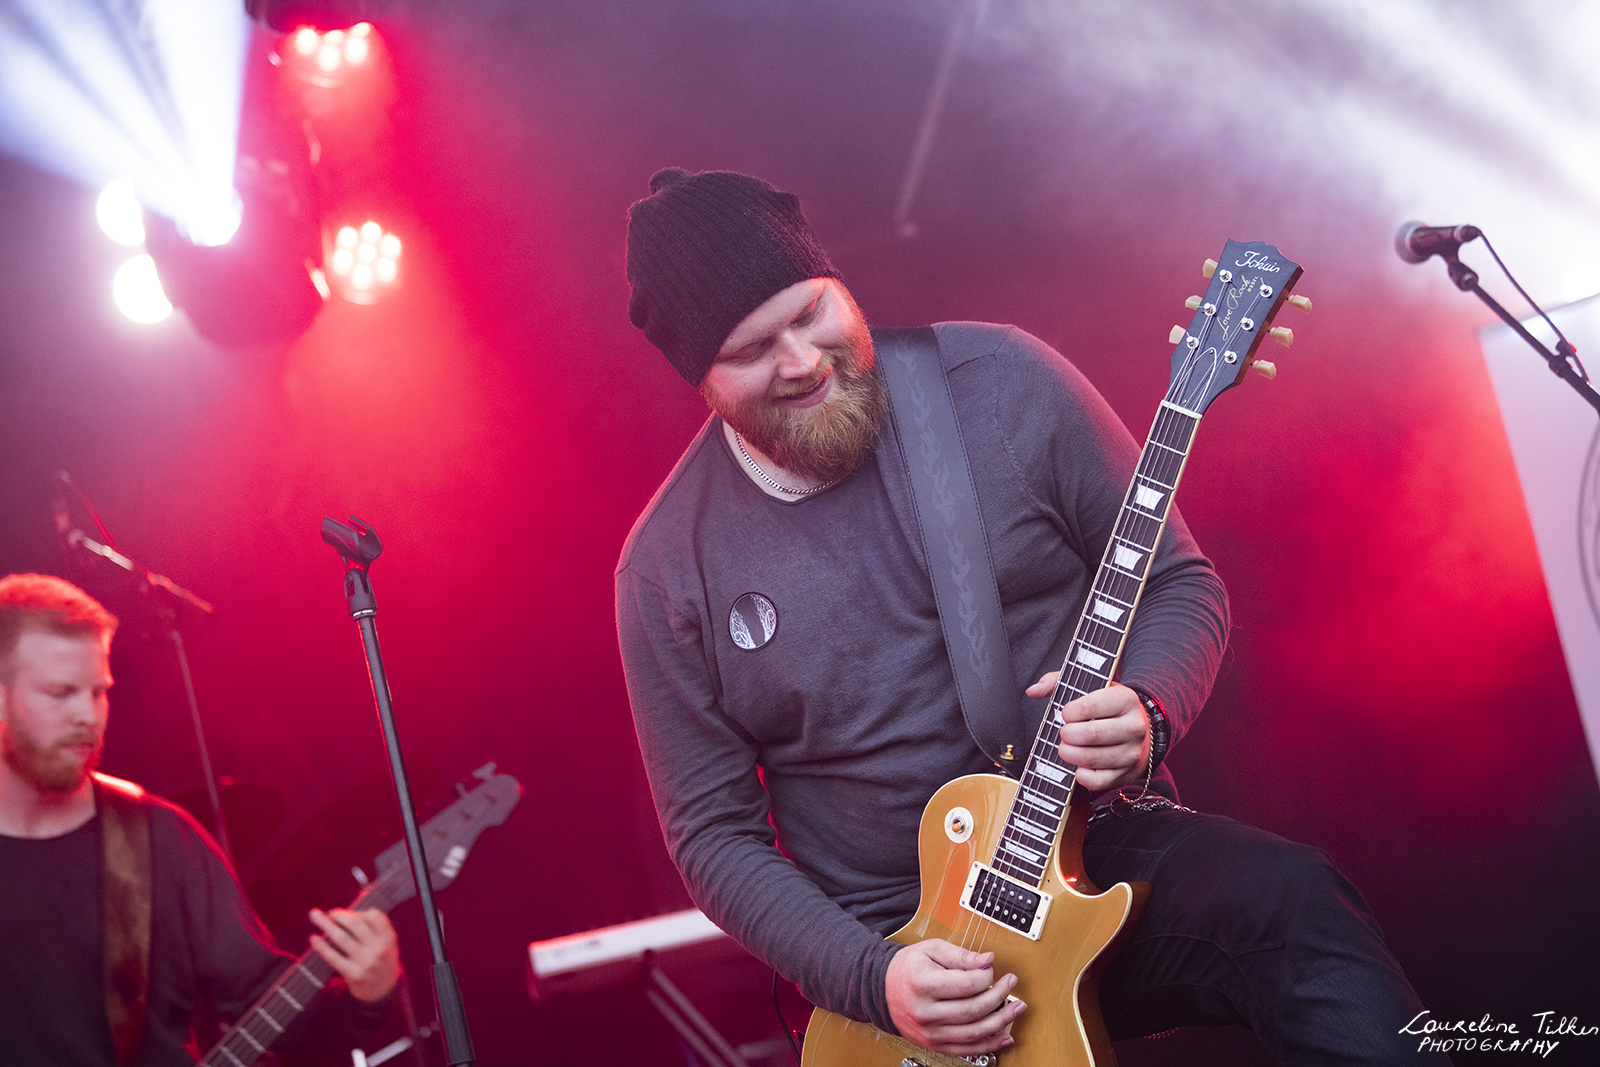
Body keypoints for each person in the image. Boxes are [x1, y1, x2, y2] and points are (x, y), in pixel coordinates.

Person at [615, 168, 1447, 1064]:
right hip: (896, 949)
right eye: (752, 350)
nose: (803, 361)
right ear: (701, 379)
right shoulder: (666, 567)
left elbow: (1179, 582)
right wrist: (873, 978)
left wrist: (1149, 708)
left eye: (811, 312)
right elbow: (713, 833)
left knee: (1292, 902)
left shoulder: (1001, 383)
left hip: (1090, 848)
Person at [0, 572, 401, 1065]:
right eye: (61, 692)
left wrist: (370, 992)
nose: (88, 715)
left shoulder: (156, 841)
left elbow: (281, 1016)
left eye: (98, 692)